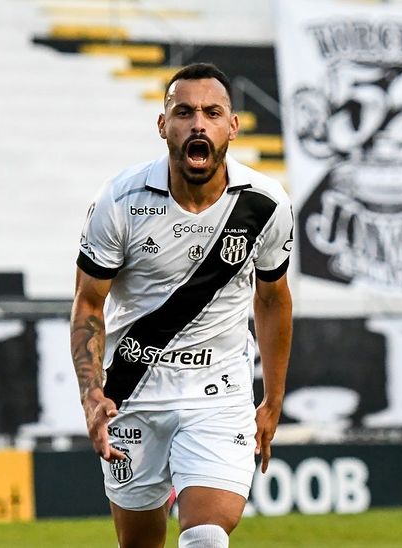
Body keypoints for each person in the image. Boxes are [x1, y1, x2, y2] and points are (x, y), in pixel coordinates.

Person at [71, 62, 293, 548]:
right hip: (131, 391)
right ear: (162, 124)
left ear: (232, 126)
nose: (198, 123)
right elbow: (89, 304)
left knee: (207, 537)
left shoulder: (265, 203)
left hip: (219, 395)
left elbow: (273, 298)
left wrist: (273, 399)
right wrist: (91, 396)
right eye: (184, 112)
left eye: (212, 112)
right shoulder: (119, 201)